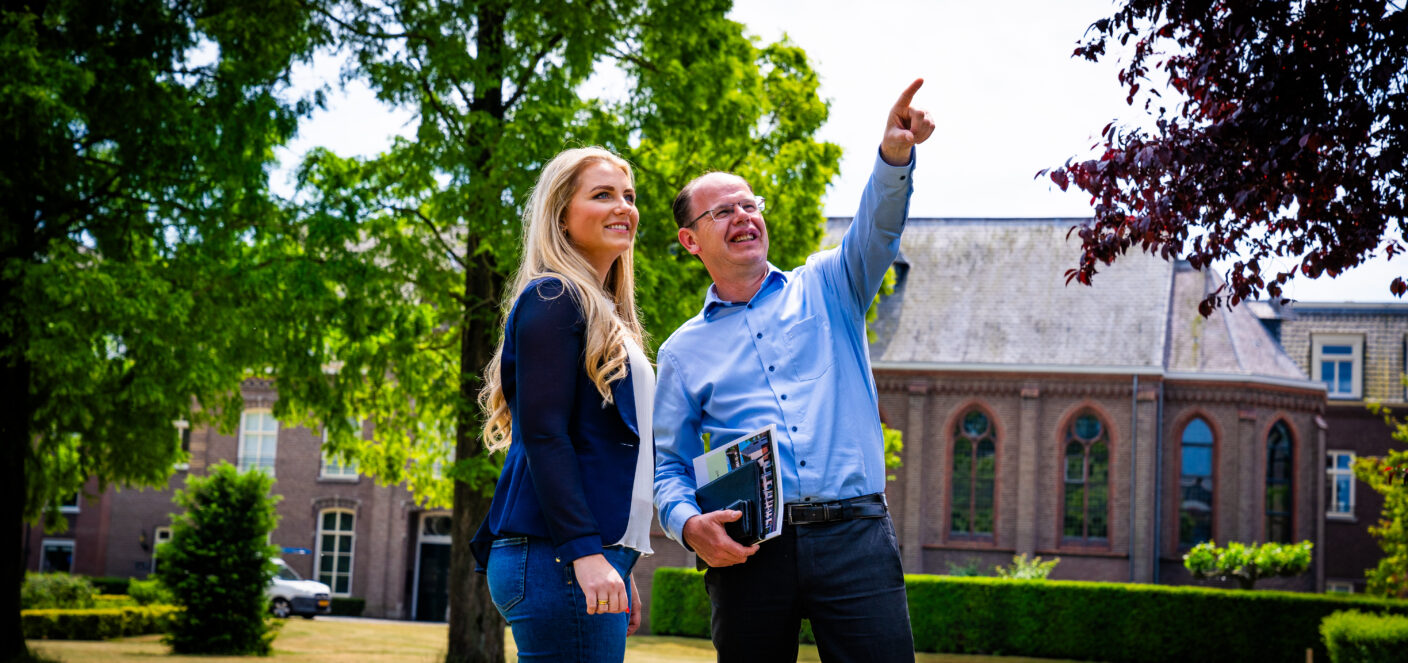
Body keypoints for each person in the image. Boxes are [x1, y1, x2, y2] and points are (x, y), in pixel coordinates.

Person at [653, 79, 935, 662]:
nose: (743, 216)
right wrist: (688, 525)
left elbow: (878, 227)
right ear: (690, 240)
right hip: (751, 548)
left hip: (856, 536)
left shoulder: (833, 285)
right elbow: (668, 467)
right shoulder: (681, 352)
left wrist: (894, 157)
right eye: (722, 211)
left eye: (750, 204)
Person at [471, 146, 656, 661]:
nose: (623, 207)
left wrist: (617, 558)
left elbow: (601, 450)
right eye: (602, 195)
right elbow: (545, 435)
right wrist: (585, 554)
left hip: (577, 555)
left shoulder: (605, 313)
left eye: (629, 196)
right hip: (555, 556)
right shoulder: (556, 297)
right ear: (561, 216)